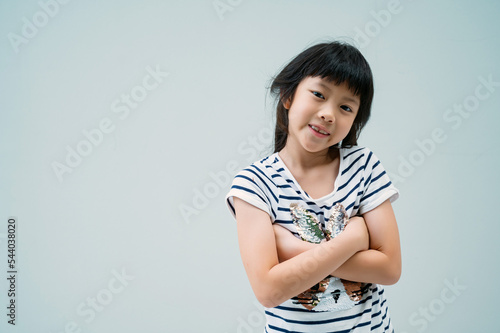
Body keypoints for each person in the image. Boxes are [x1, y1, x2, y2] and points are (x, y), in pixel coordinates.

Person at [224, 40, 401, 332]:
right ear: (288, 95)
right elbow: (269, 291)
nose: (329, 114)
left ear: (355, 121)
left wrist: (293, 248)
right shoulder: (254, 184)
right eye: (318, 94)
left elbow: (390, 269)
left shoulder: (363, 166)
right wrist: (354, 239)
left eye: (346, 107)